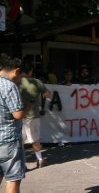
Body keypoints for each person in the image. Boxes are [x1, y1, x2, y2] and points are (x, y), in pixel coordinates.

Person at [0, 54, 26, 193]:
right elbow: (18, 114)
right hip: (8, 141)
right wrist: (26, 107)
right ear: (16, 71)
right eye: (20, 76)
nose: (20, 79)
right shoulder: (9, 86)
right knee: (13, 179)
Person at [19, 63, 50, 168]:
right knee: (35, 139)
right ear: (30, 71)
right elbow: (47, 94)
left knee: (20, 140)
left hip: (18, 115)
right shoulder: (37, 82)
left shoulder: (15, 82)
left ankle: (21, 163)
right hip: (33, 115)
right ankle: (40, 159)